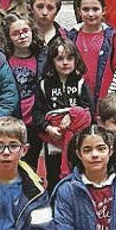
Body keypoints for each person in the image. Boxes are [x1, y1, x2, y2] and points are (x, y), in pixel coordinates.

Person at [32, 37, 93, 192]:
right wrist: (47, 128)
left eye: (69, 58)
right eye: (59, 59)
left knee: (78, 173)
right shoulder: (44, 84)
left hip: (76, 139)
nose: (65, 63)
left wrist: (72, 115)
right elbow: (37, 112)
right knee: (53, 176)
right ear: (52, 61)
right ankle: (55, 206)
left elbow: (89, 110)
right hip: (53, 138)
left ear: (76, 60)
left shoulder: (80, 82)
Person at [0, 14, 47, 169]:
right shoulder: (3, 60)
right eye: (16, 33)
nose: (22, 36)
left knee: (32, 165)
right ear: (9, 38)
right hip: (14, 121)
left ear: (32, 31)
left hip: (36, 122)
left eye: (25, 31)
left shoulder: (42, 57)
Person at [71, 0, 116, 114]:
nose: (90, 14)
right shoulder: (71, 37)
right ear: (79, 11)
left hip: (106, 103)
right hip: (77, 103)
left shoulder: (113, 38)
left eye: (95, 9)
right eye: (85, 9)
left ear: (104, 10)